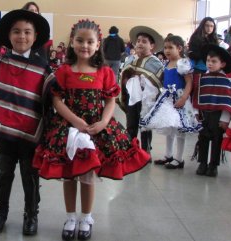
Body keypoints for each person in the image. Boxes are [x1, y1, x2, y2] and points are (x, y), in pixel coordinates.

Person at [32, 19, 151, 241]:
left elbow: (110, 100)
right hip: (68, 128)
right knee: (69, 174)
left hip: (96, 128)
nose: (84, 46)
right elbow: (57, 101)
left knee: (88, 175)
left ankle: (86, 217)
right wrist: (75, 120)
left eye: (90, 42)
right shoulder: (65, 70)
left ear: (98, 45)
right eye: (80, 41)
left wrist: (105, 122)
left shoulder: (105, 72)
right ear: (71, 42)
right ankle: (70, 217)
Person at [0, 9, 51, 236]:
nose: (21, 36)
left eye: (27, 32)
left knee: (30, 176)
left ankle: (31, 215)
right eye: (16, 31)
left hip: (31, 135)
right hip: (4, 133)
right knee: (3, 174)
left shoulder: (43, 69)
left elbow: (47, 104)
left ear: (35, 36)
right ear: (8, 35)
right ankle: (0, 212)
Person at [140, 35, 201, 169]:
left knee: (179, 128)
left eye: (170, 48)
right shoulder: (167, 63)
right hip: (167, 98)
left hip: (179, 97)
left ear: (179, 48)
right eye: (165, 48)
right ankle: (168, 155)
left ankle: (179, 159)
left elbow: (189, 82)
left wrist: (184, 98)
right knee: (170, 127)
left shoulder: (183, 63)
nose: (167, 51)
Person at [191, 44, 231, 177]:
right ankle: (202, 163)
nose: (209, 64)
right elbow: (197, 96)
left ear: (222, 64)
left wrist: (225, 119)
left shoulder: (226, 81)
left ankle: (213, 165)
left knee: (217, 140)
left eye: (213, 61)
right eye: (208, 61)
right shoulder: (202, 78)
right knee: (203, 138)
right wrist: (196, 113)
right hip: (204, 114)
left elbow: (227, 101)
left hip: (218, 116)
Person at [120, 25, 164, 154]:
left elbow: (158, 82)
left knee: (145, 125)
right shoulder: (130, 60)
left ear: (152, 46)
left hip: (147, 100)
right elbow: (122, 77)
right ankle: (131, 149)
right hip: (131, 98)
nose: (140, 43)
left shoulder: (155, 62)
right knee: (131, 124)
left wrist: (142, 79)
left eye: (144, 41)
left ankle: (146, 151)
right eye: (138, 41)